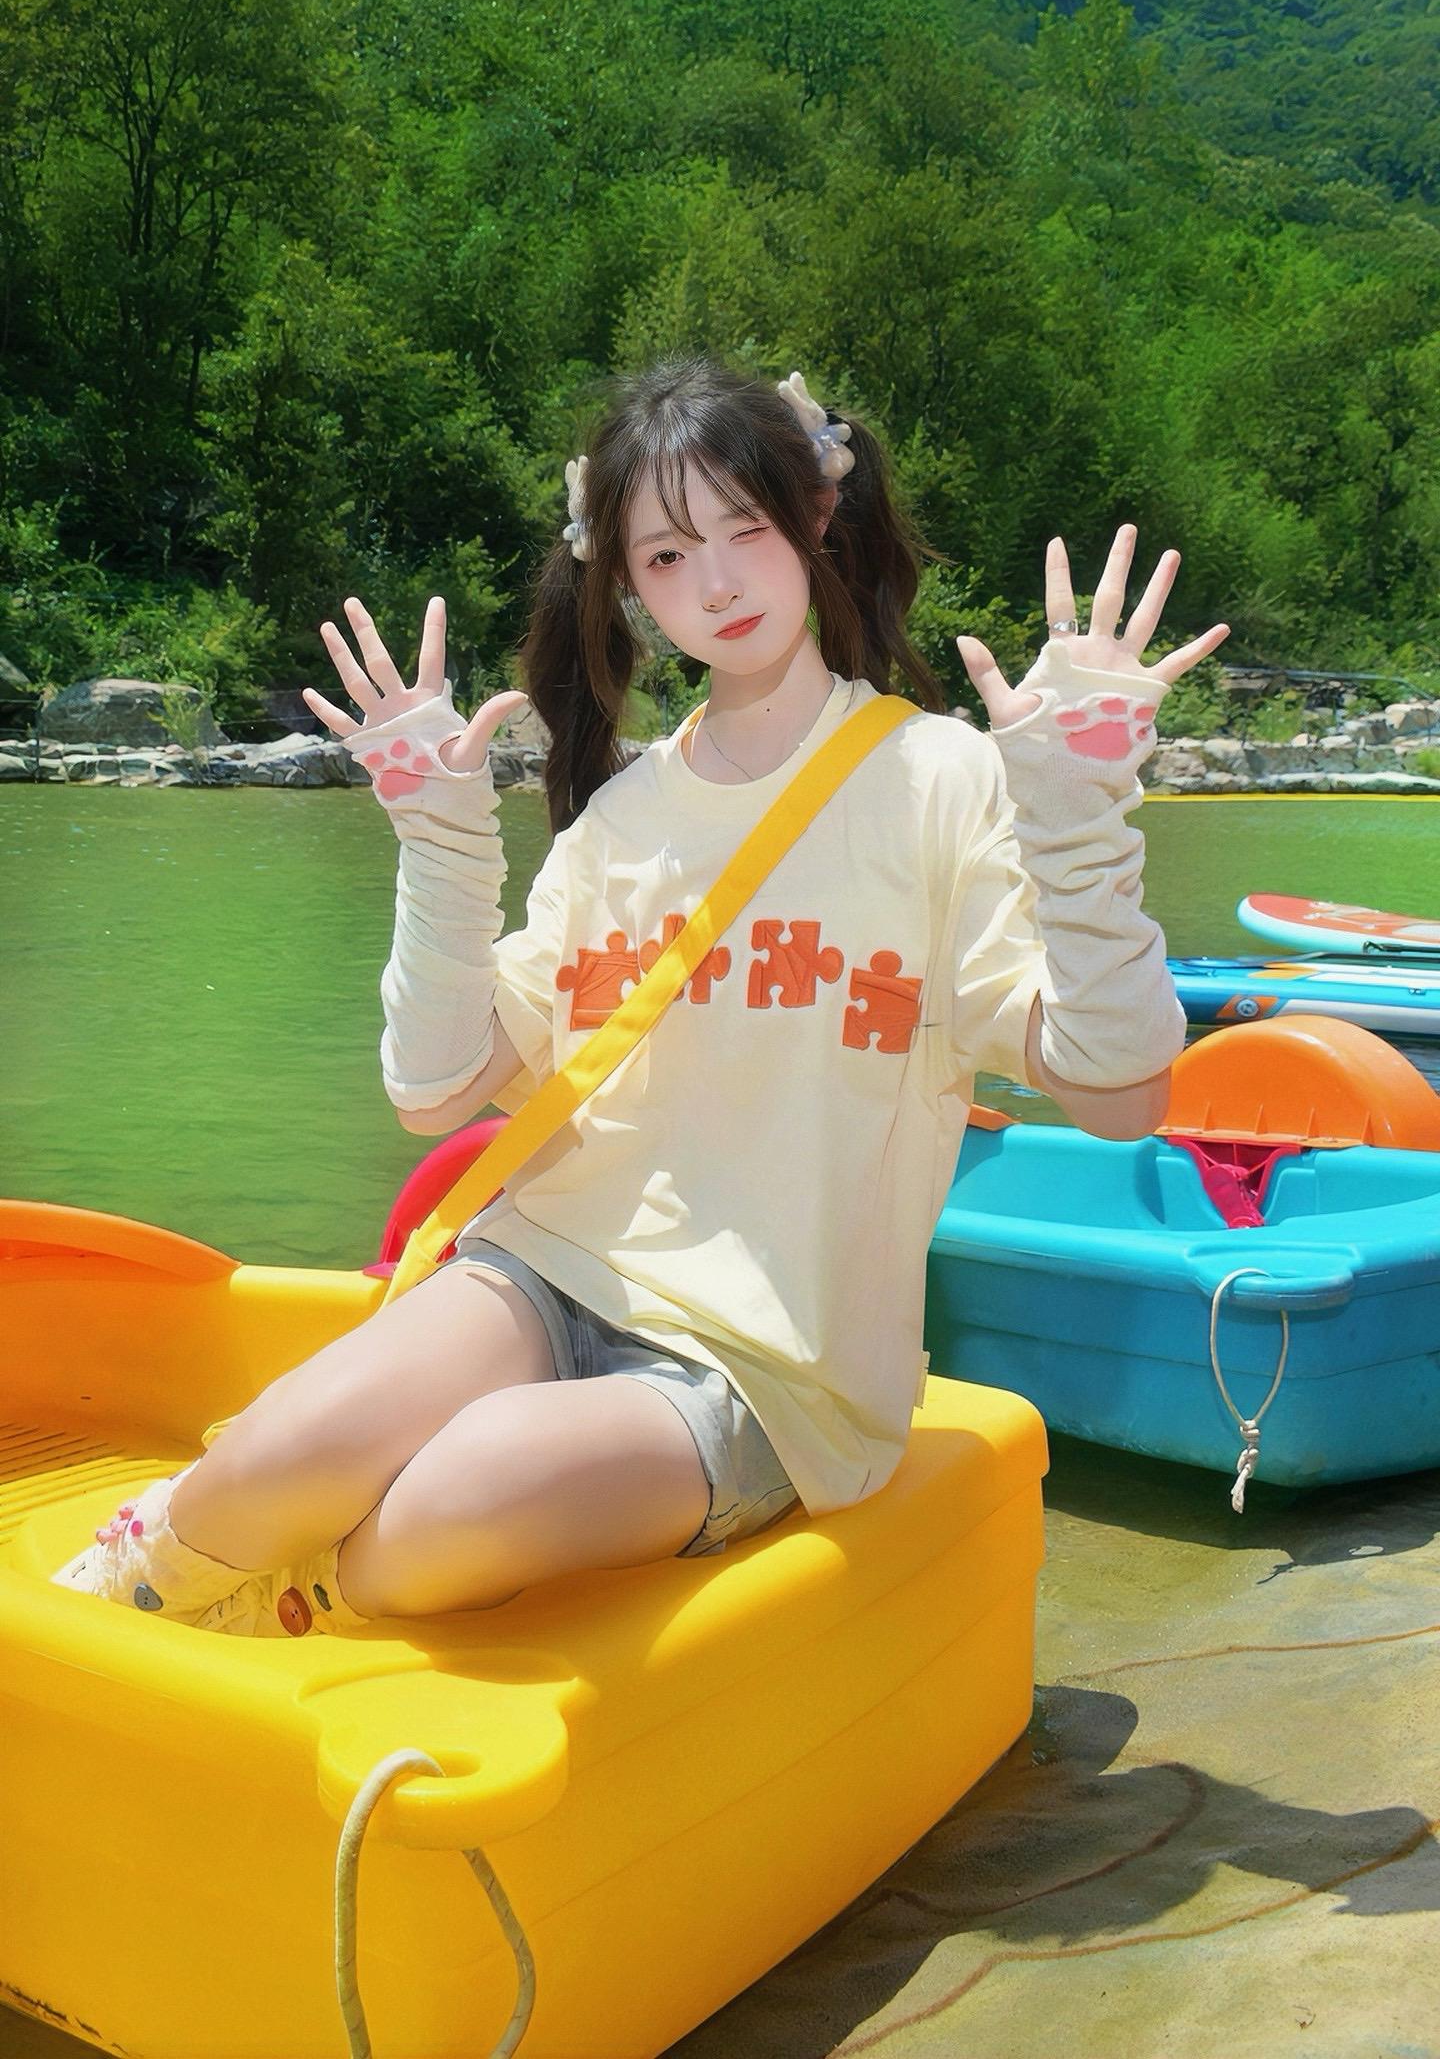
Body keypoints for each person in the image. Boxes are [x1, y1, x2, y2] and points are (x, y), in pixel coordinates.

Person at [54, 358, 1227, 1637]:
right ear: (622, 578)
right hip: (551, 1263)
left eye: (744, 528)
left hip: (771, 1362)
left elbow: (1121, 1095)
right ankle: (99, 1627)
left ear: (815, 515)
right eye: (667, 555)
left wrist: (1078, 818)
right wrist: (442, 844)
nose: (716, 583)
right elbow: (435, 1089)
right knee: (279, 1450)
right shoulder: (621, 818)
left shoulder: (941, 779)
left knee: (452, 1503)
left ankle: (297, 1599)